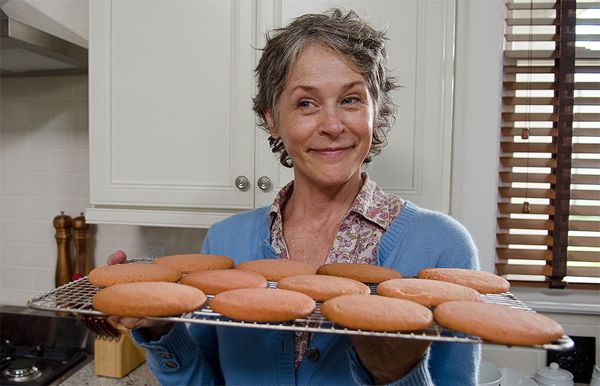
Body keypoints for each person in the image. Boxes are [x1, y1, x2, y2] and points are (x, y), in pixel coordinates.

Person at [108, 8, 480, 385]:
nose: (332, 125)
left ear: (375, 110)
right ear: (272, 119)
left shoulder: (442, 246)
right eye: (306, 103)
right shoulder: (225, 242)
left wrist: (395, 372)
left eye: (351, 100)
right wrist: (159, 331)